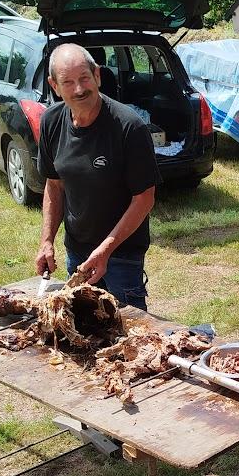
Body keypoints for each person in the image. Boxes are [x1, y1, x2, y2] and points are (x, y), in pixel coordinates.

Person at [34, 43, 160, 310]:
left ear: (97, 76)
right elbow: (54, 185)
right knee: (81, 331)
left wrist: (105, 250)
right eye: (68, 82)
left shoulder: (129, 127)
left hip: (122, 255)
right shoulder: (51, 122)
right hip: (78, 251)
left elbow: (144, 199)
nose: (79, 89)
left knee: (129, 334)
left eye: (84, 78)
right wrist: (47, 240)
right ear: (54, 86)